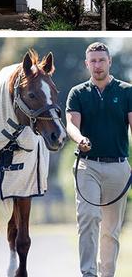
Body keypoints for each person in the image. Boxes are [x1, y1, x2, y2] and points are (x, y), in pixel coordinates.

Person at [66, 42, 132, 277]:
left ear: (109, 62)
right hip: (87, 165)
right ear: (87, 64)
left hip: (118, 167)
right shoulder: (78, 93)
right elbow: (71, 125)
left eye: (101, 60)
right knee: (89, 217)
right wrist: (80, 138)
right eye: (92, 61)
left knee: (110, 230)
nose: (97, 65)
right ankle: (88, 273)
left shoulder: (126, 91)